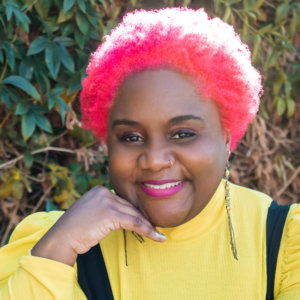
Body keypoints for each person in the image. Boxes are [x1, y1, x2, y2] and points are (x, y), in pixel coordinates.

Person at [0, 7, 299, 300]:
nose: (155, 160)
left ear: (225, 138)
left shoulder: (285, 243)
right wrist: (55, 251)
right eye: (131, 137)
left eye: (183, 134)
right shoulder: (58, 249)